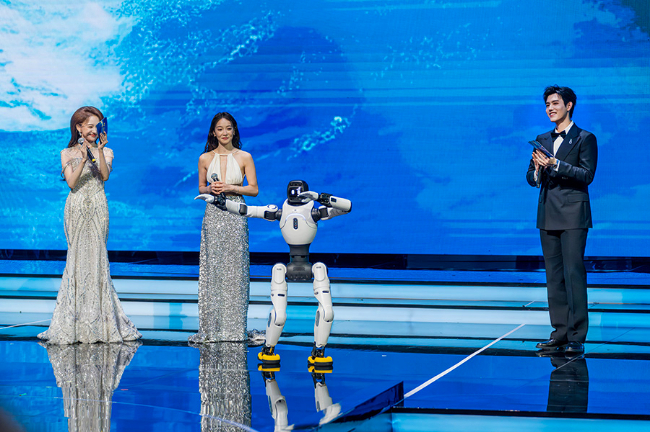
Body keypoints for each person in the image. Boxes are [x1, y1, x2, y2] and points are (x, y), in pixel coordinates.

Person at [38, 106, 141, 344]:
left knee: (97, 258)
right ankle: (74, 323)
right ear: (79, 127)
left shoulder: (107, 151)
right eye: (90, 126)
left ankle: (100, 322)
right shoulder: (67, 153)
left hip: (97, 206)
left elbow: (104, 176)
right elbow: (71, 183)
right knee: (76, 258)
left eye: (98, 126)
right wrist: (83, 158)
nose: (94, 130)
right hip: (76, 208)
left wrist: (99, 151)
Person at [526, 86, 598, 354]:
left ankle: (577, 335)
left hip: (573, 214)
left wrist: (555, 164)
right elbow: (531, 178)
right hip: (548, 213)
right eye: (547, 104)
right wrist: (537, 170)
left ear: (569, 105)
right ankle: (559, 333)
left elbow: (587, 174)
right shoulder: (542, 139)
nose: (550, 108)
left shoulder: (585, 138)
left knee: (573, 273)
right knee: (554, 276)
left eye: (555, 103)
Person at [189, 112, 259, 343]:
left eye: (228, 128)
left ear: (234, 130)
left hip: (236, 212)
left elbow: (254, 189)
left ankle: (235, 328)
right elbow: (200, 187)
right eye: (220, 129)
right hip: (213, 213)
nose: (225, 133)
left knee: (235, 268)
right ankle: (213, 328)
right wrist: (210, 189)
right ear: (213, 132)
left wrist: (231, 187)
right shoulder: (205, 158)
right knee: (214, 267)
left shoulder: (245, 157)